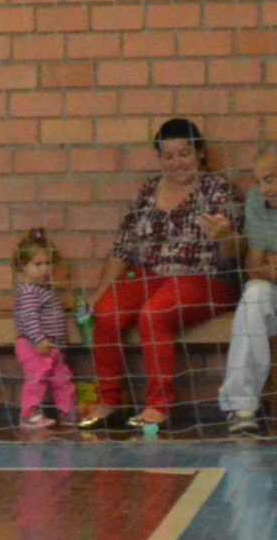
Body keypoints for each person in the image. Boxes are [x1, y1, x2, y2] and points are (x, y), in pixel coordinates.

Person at [81, 117, 244, 433]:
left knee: (154, 314)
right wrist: (99, 292)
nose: (176, 162)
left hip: (205, 279)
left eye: (183, 154)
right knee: (107, 312)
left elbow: (235, 255)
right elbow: (122, 249)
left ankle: (159, 407)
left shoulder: (219, 190)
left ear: (199, 152)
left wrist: (224, 236)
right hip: (150, 275)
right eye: (168, 156)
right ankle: (110, 402)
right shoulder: (148, 191)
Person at [216, 146, 277, 436]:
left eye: (271, 179)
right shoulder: (257, 199)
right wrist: (267, 264)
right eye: (260, 181)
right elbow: (255, 265)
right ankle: (242, 407)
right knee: (254, 293)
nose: (265, 189)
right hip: (273, 290)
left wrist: (271, 262)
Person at [12, 229, 76, 433]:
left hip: (52, 347)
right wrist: (39, 339)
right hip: (35, 346)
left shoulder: (44, 290)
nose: (44, 269)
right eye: (37, 264)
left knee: (62, 379)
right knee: (36, 380)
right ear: (24, 267)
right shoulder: (29, 291)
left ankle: (68, 411)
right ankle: (28, 414)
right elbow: (28, 317)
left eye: (48, 263)